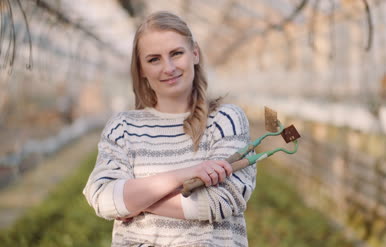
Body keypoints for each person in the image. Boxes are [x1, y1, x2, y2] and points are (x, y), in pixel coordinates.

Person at [83, 11, 256, 247]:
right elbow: (102, 197)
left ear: (194, 53)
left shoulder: (226, 120)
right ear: (142, 69)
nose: (169, 67)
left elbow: (221, 200)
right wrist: (184, 174)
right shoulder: (122, 127)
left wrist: (131, 201)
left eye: (176, 53)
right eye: (154, 59)